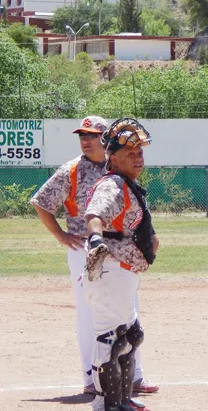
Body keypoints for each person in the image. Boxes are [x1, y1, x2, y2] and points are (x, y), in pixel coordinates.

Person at [29, 116, 159, 396]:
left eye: (91, 135)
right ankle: (92, 375)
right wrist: (61, 236)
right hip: (86, 249)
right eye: (81, 135)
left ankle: (134, 376)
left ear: (106, 140)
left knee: (128, 314)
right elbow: (41, 202)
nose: (85, 140)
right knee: (91, 315)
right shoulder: (72, 170)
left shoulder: (121, 165)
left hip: (123, 254)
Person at [83, 118, 158, 411]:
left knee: (130, 336)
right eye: (130, 152)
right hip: (110, 272)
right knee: (111, 339)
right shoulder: (112, 184)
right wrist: (96, 238)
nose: (138, 156)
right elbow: (95, 214)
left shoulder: (128, 184)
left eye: (140, 151)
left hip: (123, 274)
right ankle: (104, 408)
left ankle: (123, 400)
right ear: (113, 156)